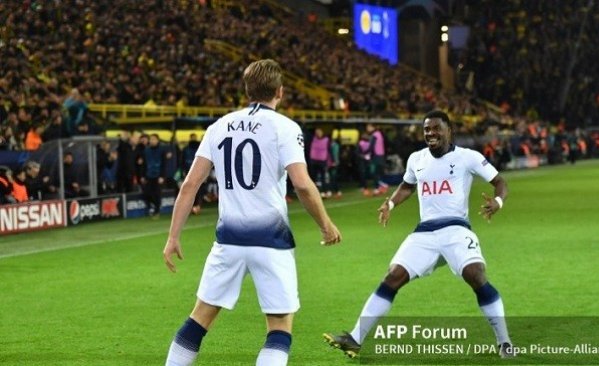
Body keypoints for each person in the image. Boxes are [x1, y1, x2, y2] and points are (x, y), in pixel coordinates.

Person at [163, 59, 342, 366]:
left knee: (200, 317)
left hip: (228, 240)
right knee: (279, 326)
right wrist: (325, 224)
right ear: (280, 92)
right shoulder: (286, 127)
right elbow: (301, 183)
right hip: (271, 240)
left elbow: (191, 183)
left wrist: (173, 236)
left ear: (247, 90)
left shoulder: (219, 126)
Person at [324, 110, 514, 359]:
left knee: (475, 275)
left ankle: (504, 342)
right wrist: (390, 204)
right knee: (393, 277)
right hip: (425, 232)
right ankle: (355, 339)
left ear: (449, 131)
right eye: (427, 130)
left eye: (436, 128)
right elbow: (407, 186)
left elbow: (501, 182)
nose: (431, 134)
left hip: (456, 229)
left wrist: (498, 202)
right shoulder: (416, 158)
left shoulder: (468, 157)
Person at [141, 133, 166, 218]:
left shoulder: (162, 150)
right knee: (147, 193)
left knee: (157, 193)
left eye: (154, 139)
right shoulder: (146, 150)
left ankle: (157, 211)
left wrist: (162, 176)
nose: (152, 141)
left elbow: (164, 163)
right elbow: (144, 164)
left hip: (158, 175)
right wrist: (143, 176)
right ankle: (154, 207)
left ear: (157, 140)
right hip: (148, 175)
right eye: (151, 139)